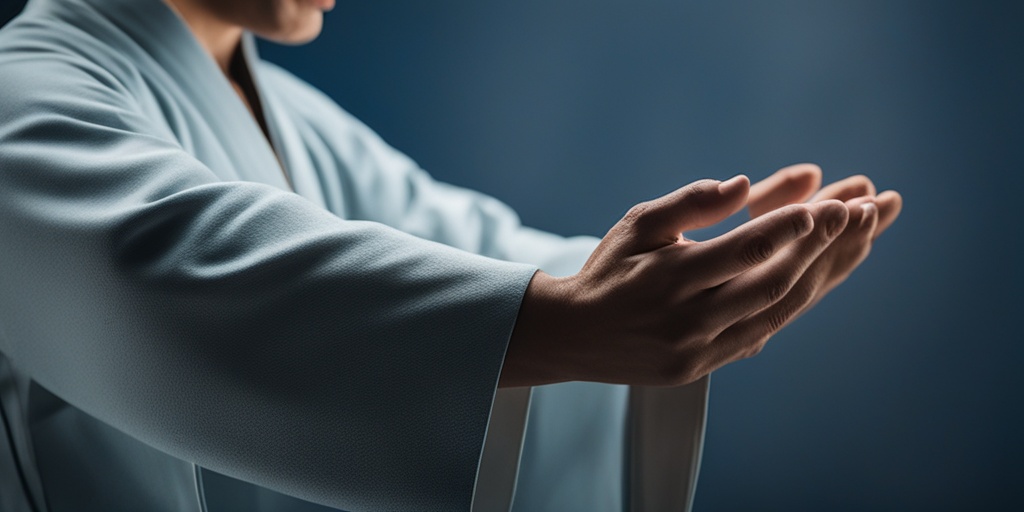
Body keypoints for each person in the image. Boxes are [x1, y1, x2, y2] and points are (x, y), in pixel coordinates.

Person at [0, 0, 902, 510]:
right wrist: (563, 324)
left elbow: (458, 248)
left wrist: (678, 277)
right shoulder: (26, 91)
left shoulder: (298, 122)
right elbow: (155, 285)